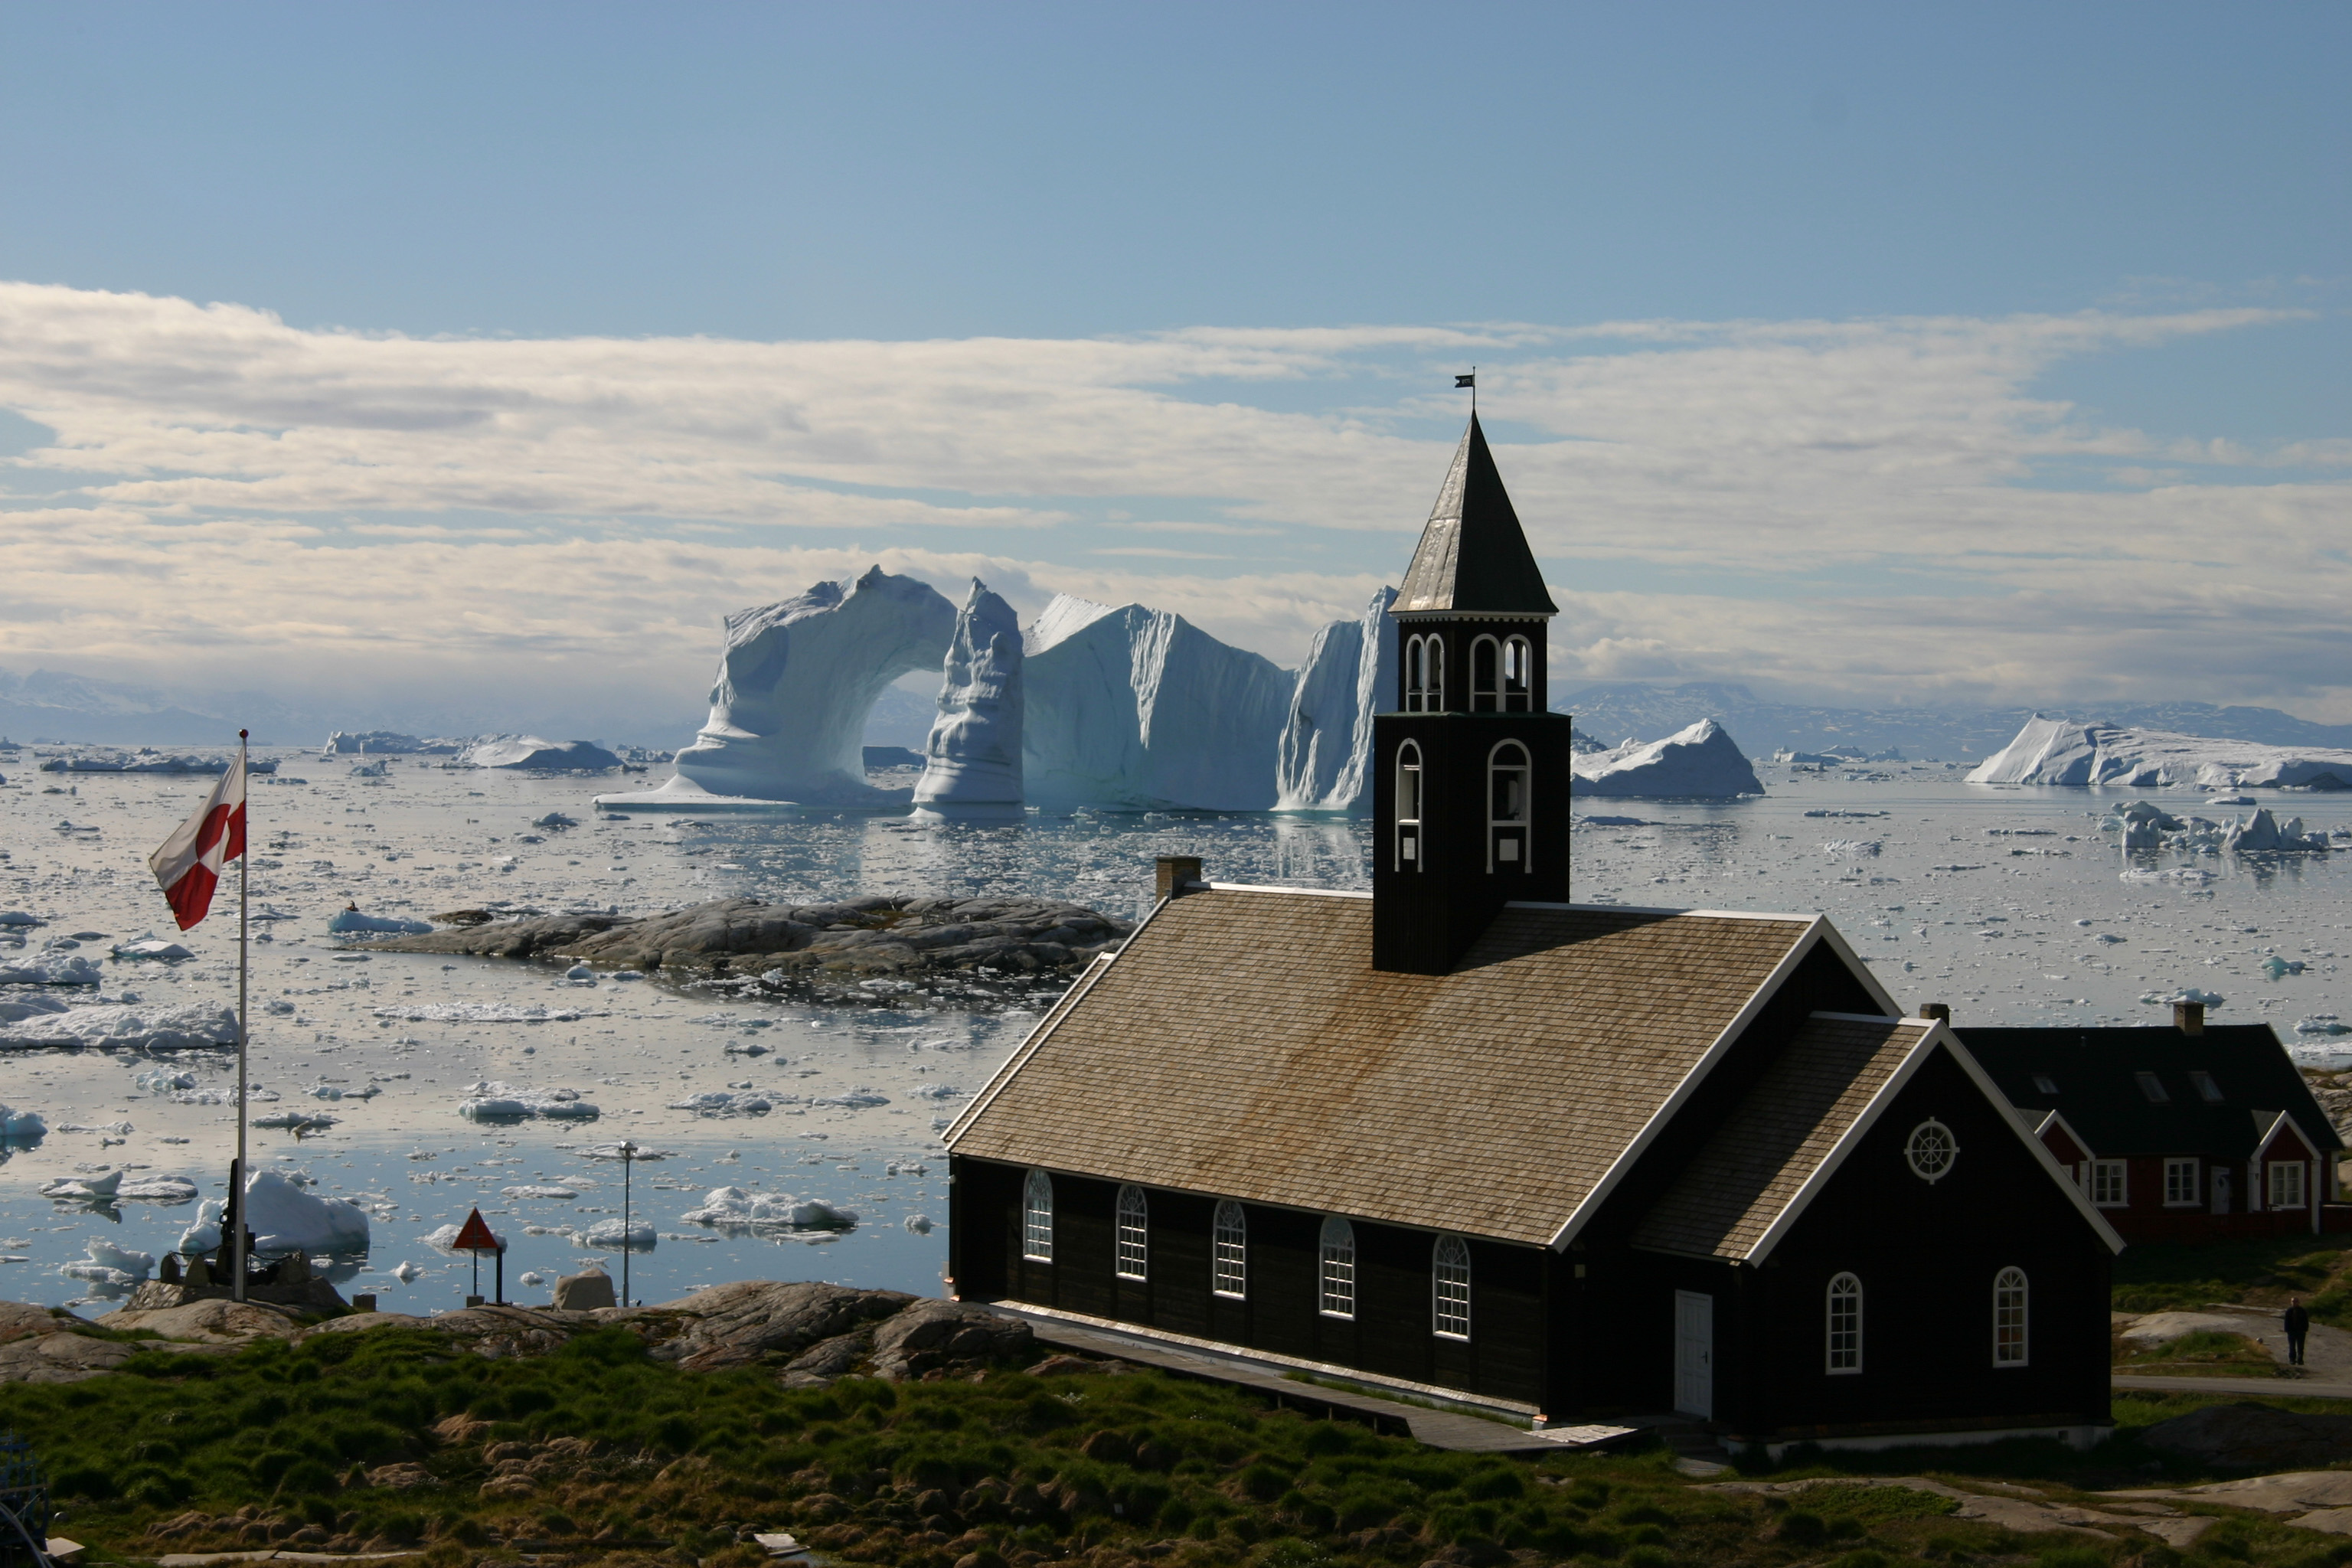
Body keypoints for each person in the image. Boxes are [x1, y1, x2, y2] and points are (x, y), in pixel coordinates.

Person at [2285, 1298, 2311, 1367]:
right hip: (2292, 1332)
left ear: (2298, 1302)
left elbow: (2306, 1321)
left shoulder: (2302, 1311)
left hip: (2301, 1332)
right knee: (2292, 1347)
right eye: (2293, 1302)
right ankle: (2292, 1360)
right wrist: (2287, 1330)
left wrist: (2305, 1329)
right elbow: (2287, 1322)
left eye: (2296, 1302)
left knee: (2300, 1347)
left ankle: (2300, 1360)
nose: (2294, 1303)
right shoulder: (2289, 1311)